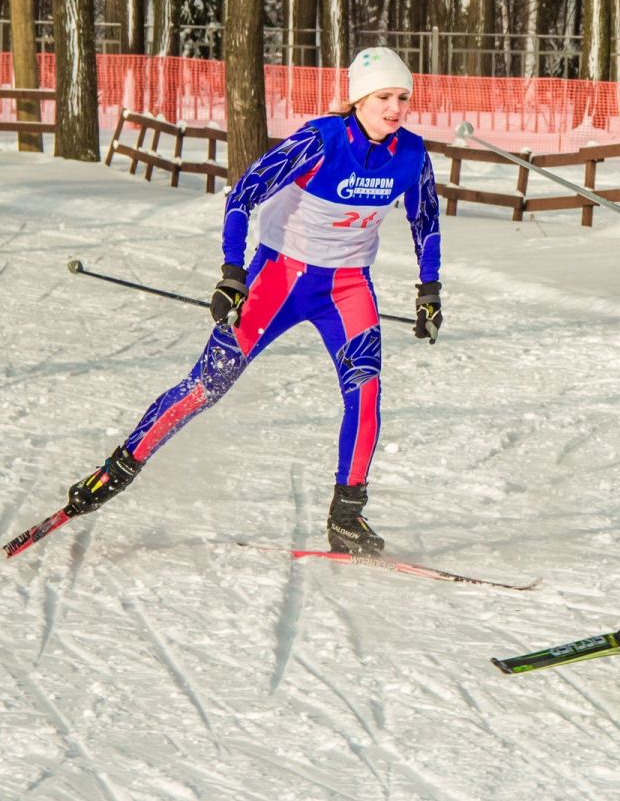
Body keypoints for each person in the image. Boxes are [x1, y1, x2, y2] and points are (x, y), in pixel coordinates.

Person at [51, 47, 444, 555]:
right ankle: (115, 471)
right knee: (207, 385)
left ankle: (347, 516)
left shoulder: (410, 153)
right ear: (357, 99)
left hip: (347, 286)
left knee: (366, 394)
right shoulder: (319, 140)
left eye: (403, 98)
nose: (395, 108)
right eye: (384, 97)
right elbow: (243, 194)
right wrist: (233, 273)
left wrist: (429, 290)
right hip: (279, 279)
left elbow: (426, 220)